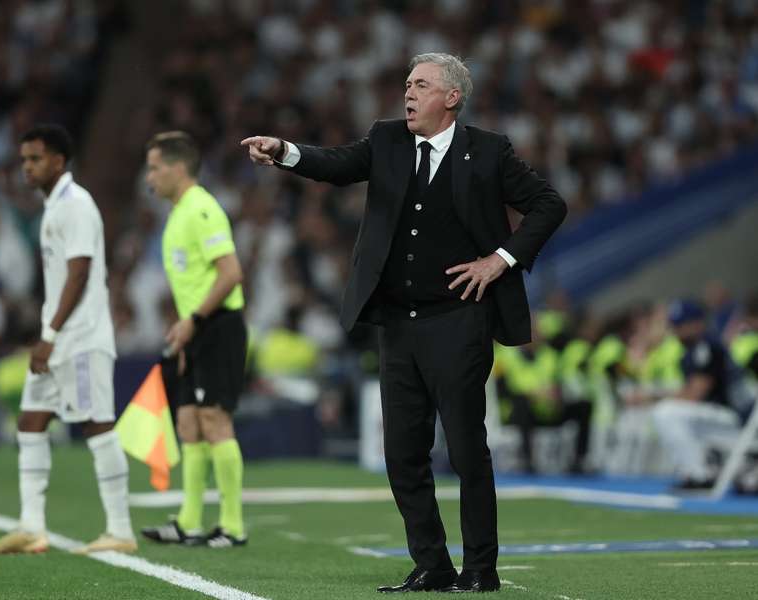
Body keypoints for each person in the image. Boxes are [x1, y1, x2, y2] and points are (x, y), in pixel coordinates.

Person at [242, 52, 566, 593]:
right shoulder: (388, 140)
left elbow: (548, 204)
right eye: (406, 84)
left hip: (458, 320)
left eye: (419, 85)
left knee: (465, 449)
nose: (408, 93)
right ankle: (433, 564)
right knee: (402, 453)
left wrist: (500, 260)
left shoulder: (487, 151)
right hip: (396, 324)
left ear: (452, 97)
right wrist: (284, 152)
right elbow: (338, 164)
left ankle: (481, 569)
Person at [0, 124, 136, 555]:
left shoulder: (76, 205)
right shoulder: (52, 207)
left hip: (81, 338)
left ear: (58, 161)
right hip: (58, 338)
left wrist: (48, 335)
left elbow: (80, 273)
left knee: (98, 425)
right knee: (30, 422)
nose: (26, 167)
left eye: (35, 159)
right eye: (24, 159)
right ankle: (31, 526)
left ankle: (120, 530)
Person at [139, 131, 248, 548]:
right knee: (187, 422)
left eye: (153, 168)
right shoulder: (180, 212)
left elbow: (231, 273)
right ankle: (188, 521)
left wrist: (194, 322)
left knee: (214, 420)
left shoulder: (202, 210)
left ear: (175, 167)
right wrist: (187, 329)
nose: (149, 178)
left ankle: (233, 526)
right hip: (196, 329)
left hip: (218, 325)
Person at [652, 299, 741, 489]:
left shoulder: (707, 346)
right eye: (675, 326)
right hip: (716, 416)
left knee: (666, 412)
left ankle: (700, 474)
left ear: (697, 323)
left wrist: (652, 398)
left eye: (681, 325)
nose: (676, 331)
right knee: (669, 413)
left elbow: (694, 394)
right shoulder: (691, 352)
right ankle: (698, 470)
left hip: (734, 416)